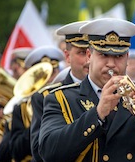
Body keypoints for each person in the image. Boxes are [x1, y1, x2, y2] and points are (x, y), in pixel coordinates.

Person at [38, 18, 135, 162]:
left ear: (127, 58)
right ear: (90, 56)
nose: (111, 64)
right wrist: (97, 114)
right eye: (103, 55)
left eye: (118, 56)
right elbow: (49, 153)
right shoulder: (60, 98)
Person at [30, 21, 90, 162]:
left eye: (93, 52)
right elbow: (40, 152)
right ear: (67, 56)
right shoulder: (46, 96)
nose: (89, 60)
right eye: (82, 53)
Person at [9, 45, 65, 162]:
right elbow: (15, 151)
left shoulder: (66, 98)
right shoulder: (21, 108)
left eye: (53, 72)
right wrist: (38, 121)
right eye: (42, 74)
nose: (48, 78)